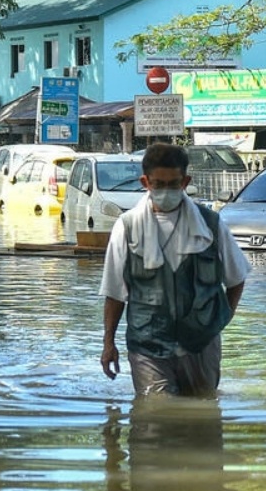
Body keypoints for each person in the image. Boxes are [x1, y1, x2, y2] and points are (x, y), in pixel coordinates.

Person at [100, 142, 250, 397]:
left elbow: (236, 279)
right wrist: (108, 343)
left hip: (202, 344)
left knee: (203, 418)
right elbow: (115, 293)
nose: (166, 191)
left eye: (173, 184)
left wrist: (218, 323)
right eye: (158, 184)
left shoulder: (210, 225)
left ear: (185, 181)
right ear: (145, 182)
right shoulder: (127, 227)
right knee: (155, 417)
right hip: (147, 345)